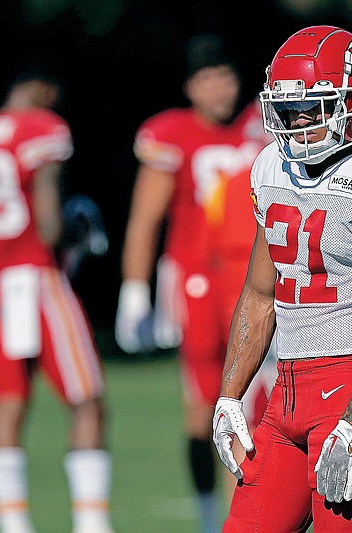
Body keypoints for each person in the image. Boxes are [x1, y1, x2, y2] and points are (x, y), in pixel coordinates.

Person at [211, 25, 352, 532]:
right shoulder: (271, 167)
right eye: (288, 108)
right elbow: (261, 293)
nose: (298, 122)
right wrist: (230, 395)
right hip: (285, 390)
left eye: (315, 106)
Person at [116, 33, 270, 531]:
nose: (218, 88)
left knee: (253, 403)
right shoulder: (173, 133)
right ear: (189, 86)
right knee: (204, 404)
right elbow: (145, 219)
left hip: (261, 278)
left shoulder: (265, 124)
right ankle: (210, 516)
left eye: (224, 75)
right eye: (206, 78)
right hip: (197, 280)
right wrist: (134, 288)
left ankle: (249, 513)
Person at [0, 70, 114, 533]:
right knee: (88, 401)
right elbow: (46, 228)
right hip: (36, 280)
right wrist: (73, 232)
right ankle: (91, 524)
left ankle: (14, 525)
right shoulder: (40, 129)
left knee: (8, 403)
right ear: (43, 89)